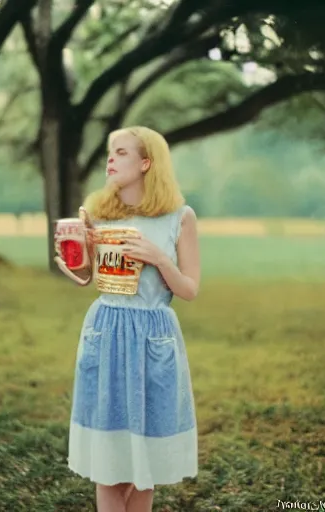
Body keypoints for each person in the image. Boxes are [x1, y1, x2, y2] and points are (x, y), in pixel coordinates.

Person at [54, 126, 200, 512]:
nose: (110, 160)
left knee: (144, 463)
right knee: (108, 463)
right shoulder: (98, 215)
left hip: (154, 336)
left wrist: (159, 258)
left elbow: (189, 289)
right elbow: (92, 280)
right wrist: (76, 264)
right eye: (109, 153)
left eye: (120, 153)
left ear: (146, 162)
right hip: (107, 330)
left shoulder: (180, 218)